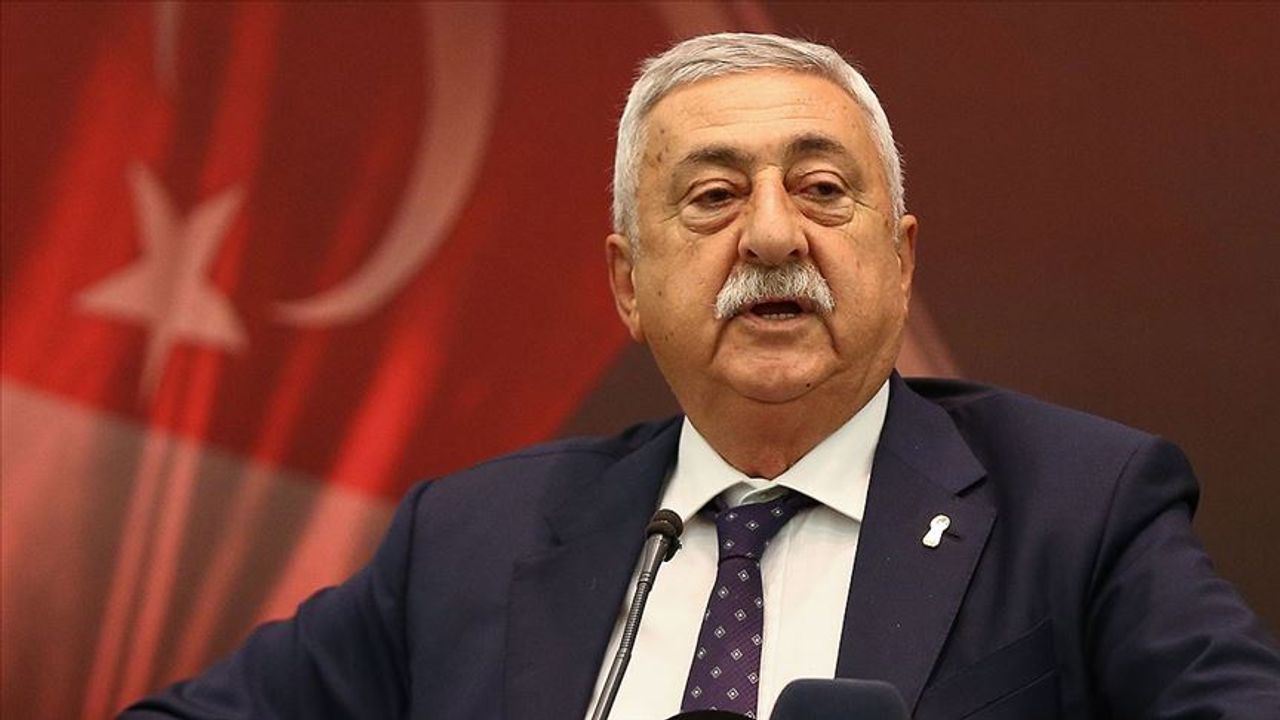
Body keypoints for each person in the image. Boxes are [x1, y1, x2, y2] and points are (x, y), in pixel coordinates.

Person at [122, 33, 1279, 720]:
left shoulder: (1075, 509)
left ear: (900, 260)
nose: (772, 236)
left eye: (821, 190)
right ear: (627, 285)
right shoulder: (469, 540)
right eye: (714, 197)